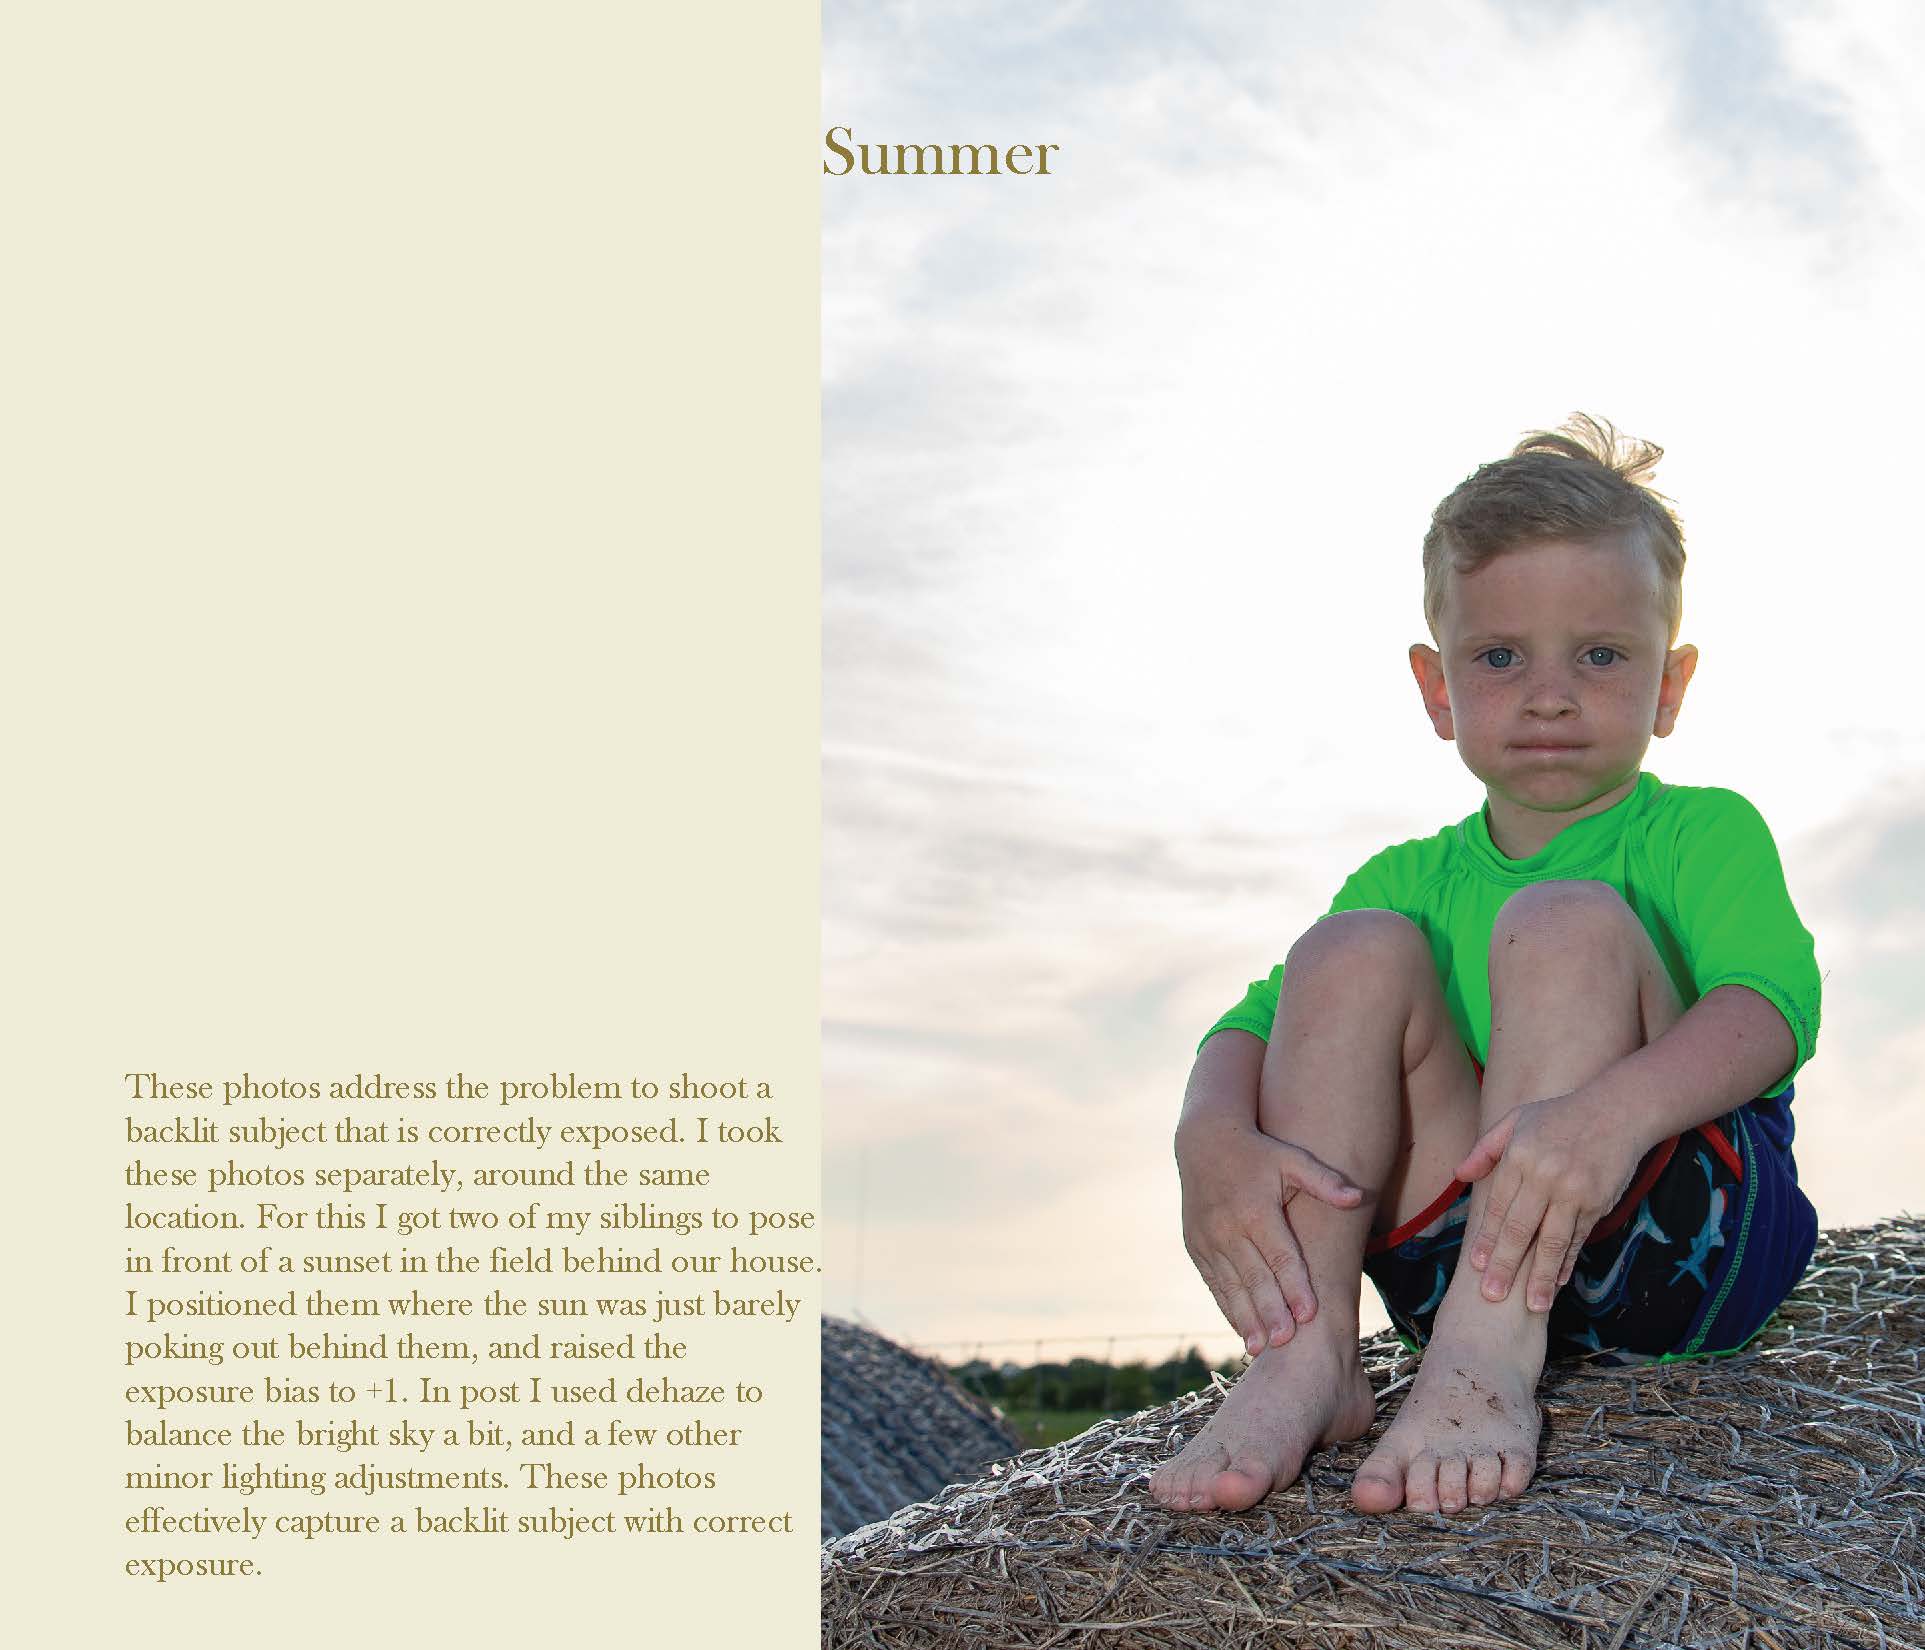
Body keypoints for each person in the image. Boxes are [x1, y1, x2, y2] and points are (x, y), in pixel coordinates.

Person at [1149, 417, 1820, 1517]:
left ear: (1668, 684)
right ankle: (1305, 1355)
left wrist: (1606, 1115)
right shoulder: (1402, 875)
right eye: (1498, 657)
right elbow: (1252, 1029)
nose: (1546, 694)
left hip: (1674, 1240)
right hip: (1457, 1254)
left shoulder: (1702, 832)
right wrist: (1205, 1136)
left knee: (1561, 918)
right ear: (1436, 688)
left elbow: (1769, 1012)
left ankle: (1487, 1356)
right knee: (1347, 950)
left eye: (1598, 655)